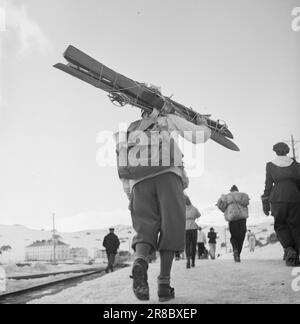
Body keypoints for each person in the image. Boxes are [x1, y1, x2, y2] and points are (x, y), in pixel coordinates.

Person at [115, 107, 211, 302]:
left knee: (145, 228)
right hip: (168, 176)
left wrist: (130, 195)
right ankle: (164, 285)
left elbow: (123, 168)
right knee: (172, 227)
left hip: (138, 184)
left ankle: (141, 260)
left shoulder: (130, 130)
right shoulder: (167, 119)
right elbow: (199, 136)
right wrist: (203, 124)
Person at [262, 142, 300, 267]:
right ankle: (296, 255)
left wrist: (265, 204)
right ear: (287, 151)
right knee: (295, 226)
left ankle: (289, 250)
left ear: (275, 151)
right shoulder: (296, 165)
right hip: (295, 197)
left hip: (277, 198)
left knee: (280, 225)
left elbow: (268, 186)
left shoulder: (270, 165)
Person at [217, 185, 250, 262]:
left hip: (232, 219)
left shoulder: (227, 197)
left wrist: (224, 209)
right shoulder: (242, 195)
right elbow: (247, 202)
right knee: (241, 236)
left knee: (234, 236)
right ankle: (238, 252)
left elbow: (220, 205)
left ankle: (235, 250)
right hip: (242, 219)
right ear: (237, 190)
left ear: (231, 190)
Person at [185, 195, 201, 268]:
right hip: (194, 228)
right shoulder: (194, 208)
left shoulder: (182, 209)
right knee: (193, 245)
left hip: (186, 228)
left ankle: (188, 260)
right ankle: (193, 262)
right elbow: (199, 215)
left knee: (187, 245)